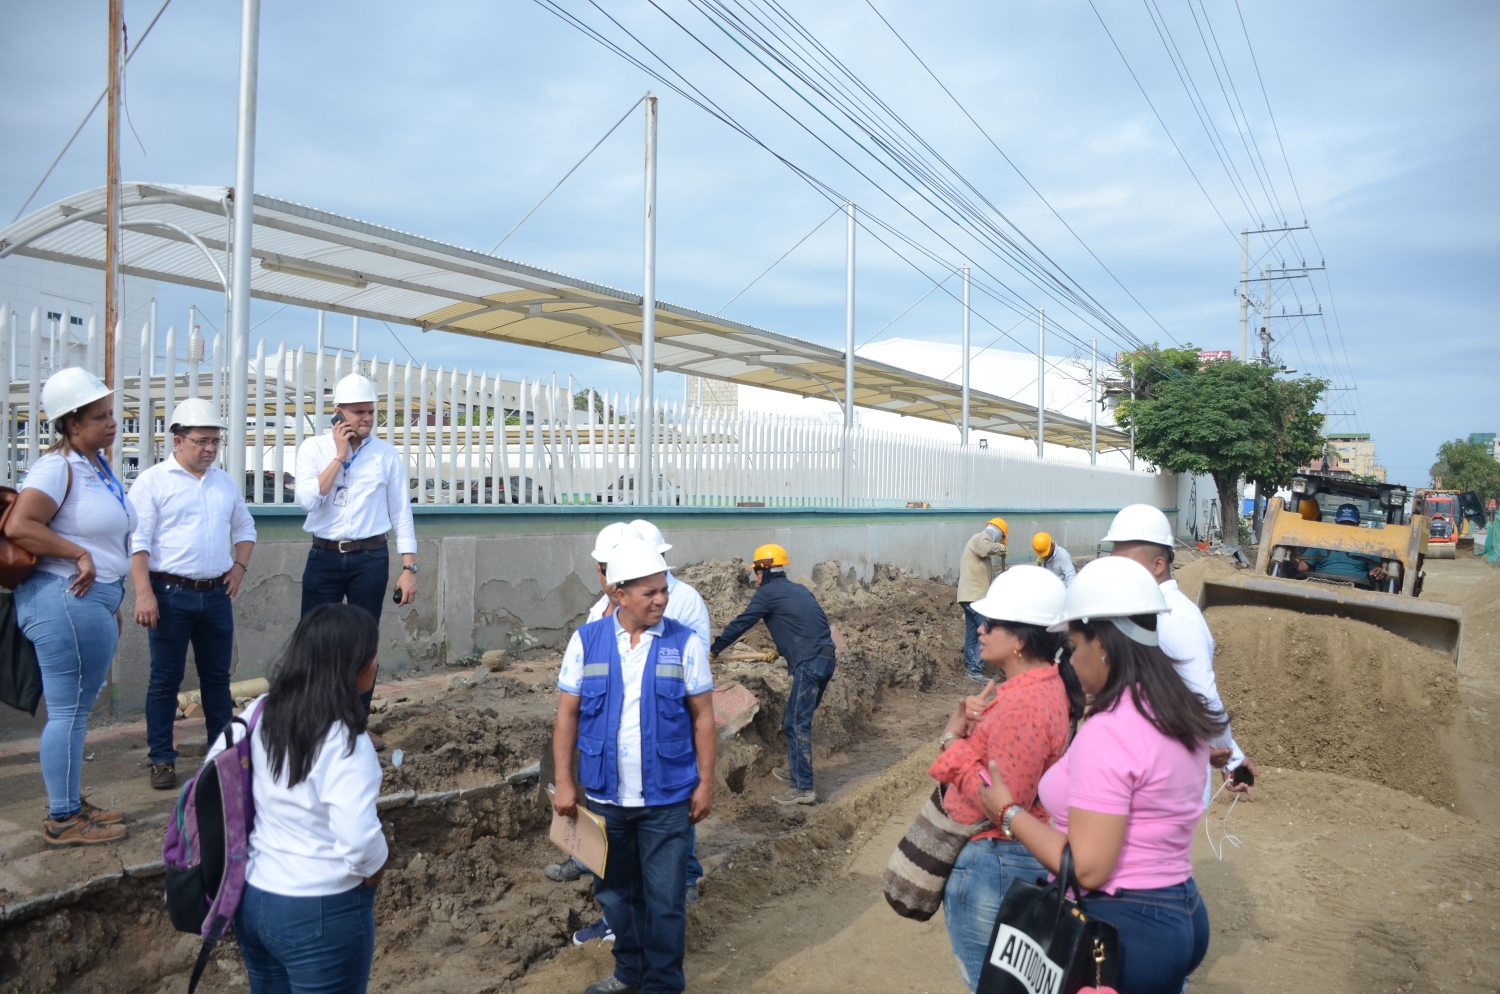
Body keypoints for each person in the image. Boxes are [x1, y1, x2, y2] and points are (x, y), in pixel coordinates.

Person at [978, 557, 1225, 994]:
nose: (1071, 661)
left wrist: (1008, 813)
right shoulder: (1176, 708)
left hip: (1122, 926)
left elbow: (1088, 868)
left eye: (1074, 646)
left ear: (1103, 644)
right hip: (1180, 908)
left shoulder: (1112, 730)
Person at [552, 538, 716, 994]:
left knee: (665, 902)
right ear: (619, 594)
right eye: (650, 593)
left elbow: (704, 718)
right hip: (606, 799)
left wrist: (705, 783)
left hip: (667, 798)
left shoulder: (684, 643)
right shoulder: (586, 642)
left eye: (664, 590)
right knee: (615, 895)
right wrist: (564, 781)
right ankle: (629, 973)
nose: (662, 599)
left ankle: (662, 984)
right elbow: (566, 715)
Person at [206, 603, 387, 994]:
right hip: (320, 910)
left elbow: (212, 777)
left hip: (254, 897)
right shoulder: (346, 741)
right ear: (351, 665)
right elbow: (358, 839)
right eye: (371, 654)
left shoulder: (259, 712)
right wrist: (376, 867)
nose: (376, 663)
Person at [929, 565, 1079, 992]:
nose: (980, 629)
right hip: (1006, 858)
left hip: (993, 859)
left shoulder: (1023, 704)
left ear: (1020, 639)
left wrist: (951, 740)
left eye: (990, 622)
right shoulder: (1038, 688)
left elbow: (1001, 800)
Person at [4, 368, 133, 848]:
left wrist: (109, 597)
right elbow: (19, 526)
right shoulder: (56, 467)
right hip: (64, 596)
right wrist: (78, 554)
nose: (112, 422)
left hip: (87, 600)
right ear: (72, 423)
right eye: (100, 416)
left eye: (111, 413)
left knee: (75, 711)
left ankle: (71, 803)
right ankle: (62, 817)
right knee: (68, 712)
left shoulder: (93, 465)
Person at [129, 398, 257, 791]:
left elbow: (245, 528)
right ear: (178, 440)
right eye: (202, 441)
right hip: (170, 594)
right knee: (165, 680)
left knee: (217, 679)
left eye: (215, 441)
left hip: (215, 595)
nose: (210, 449)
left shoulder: (224, 482)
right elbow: (137, 541)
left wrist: (239, 567)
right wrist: (144, 592)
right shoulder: (153, 482)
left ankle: (222, 756)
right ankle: (161, 759)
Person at [1102, 504, 1257, 804]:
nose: (1116, 569)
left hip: (1168, 783)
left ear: (1158, 565)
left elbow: (1203, 697)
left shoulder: (1176, 620)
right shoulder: (1140, 613)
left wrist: (1230, 758)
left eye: (1124, 561)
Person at [294, 373, 418, 741]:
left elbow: (401, 513)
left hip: (370, 558)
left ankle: (355, 726)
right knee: (317, 643)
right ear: (338, 413)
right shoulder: (313, 449)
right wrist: (339, 455)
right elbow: (308, 500)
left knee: (364, 644)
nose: (366, 418)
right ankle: (317, 726)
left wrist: (409, 567)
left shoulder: (386, 455)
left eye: (370, 412)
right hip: (325, 557)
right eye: (358, 412)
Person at [710, 543, 836, 805]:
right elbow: (809, 624)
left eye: (756, 572)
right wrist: (780, 649)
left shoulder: (767, 593)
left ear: (765, 569)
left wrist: (715, 648)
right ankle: (798, 775)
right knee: (796, 720)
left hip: (809, 663)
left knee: (796, 723)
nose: (756, 579)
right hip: (825, 659)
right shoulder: (798, 590)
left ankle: (804, 789)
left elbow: (743, 622)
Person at [956, 517, 1008, 683]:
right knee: (988, 630)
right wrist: (1001, 548)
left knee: (973, 633)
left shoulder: (978, 543)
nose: (999, 542)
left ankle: (970, 669)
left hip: (969, 596)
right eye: (1000, 539)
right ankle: (975, 669)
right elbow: (987, 548)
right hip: (975, 597)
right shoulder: (980, 538)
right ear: (998, 534)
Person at [1292, 504, 1385, 586]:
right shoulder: (1322, 540)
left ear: (1358, 523)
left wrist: (1377, 573)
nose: (1346, 526)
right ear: (1336, 522)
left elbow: (1375, 571)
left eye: (1351, 523)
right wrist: (1296, 563)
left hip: (1357, 589)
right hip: (1321, 585)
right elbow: (1304, 566)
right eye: (1343, 523)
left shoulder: (1368, 545)